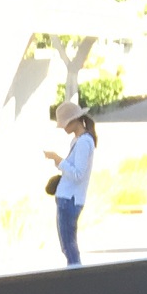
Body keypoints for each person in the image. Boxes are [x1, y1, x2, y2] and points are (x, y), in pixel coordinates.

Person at [44, 101, 95, 269]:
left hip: (70, 200)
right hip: (68, 199)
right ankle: (75, 275)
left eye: (65, 124)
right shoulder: (79, 141)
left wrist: (58, 160)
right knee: (68, 247)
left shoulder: (83, 142)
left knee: (69, 248)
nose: (63, 128)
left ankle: (76, 277)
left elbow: (78, 174)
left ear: (74, 121)